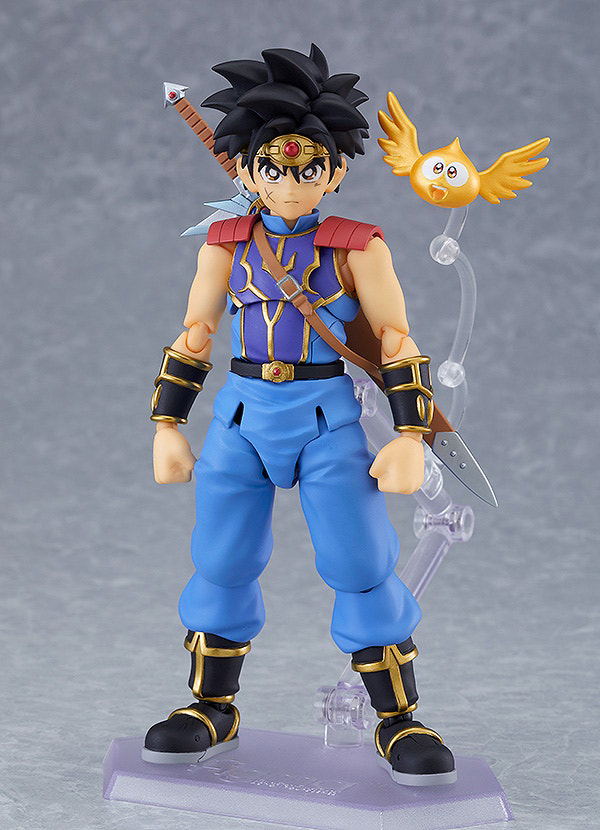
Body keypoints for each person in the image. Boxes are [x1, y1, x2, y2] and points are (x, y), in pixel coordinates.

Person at [143, 44, 456, 787]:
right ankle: (211, 706)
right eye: (274, 169)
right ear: (248, 172)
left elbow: (396, 338)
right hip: (242, 415)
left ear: (335, 172)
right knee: (221, 559)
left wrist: (410, 434)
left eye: (308, 168)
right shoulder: (227, 244)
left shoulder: (356, 246)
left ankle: (398, 718)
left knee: (359, 561)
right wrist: (168, 423)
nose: (290, 182)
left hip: (325, 418)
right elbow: (196, 333)